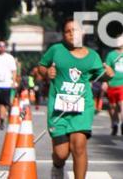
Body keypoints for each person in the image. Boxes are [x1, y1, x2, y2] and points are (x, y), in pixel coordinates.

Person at [37, 17, 113, 179]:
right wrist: (46, 73)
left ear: (83, 33)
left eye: (75, 30)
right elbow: (41, 66)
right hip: (59, 109)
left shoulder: (93, 56)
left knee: (79, 146)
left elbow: (102, 76)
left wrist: (108, 75)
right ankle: (57, 166)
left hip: (82, 107)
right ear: (64, 35)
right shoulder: (56, 50)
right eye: (68, 31)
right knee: (61, 153)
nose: (72, 34)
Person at [104, 36, 123, 136]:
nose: (120, 43)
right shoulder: (111, 55)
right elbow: (106, 69)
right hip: (112, 84)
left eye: (122, 41)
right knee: (113, 106)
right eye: (118, 41)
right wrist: (105, 81)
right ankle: (115, 123)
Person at [0, 40, 18, 130]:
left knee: (3, 103)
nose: (1, 47)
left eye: (3, 46)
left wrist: (13, 82)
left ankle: (2, 120)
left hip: (6, 84)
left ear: (5, 47)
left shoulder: (9, 58)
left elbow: (14, 71)